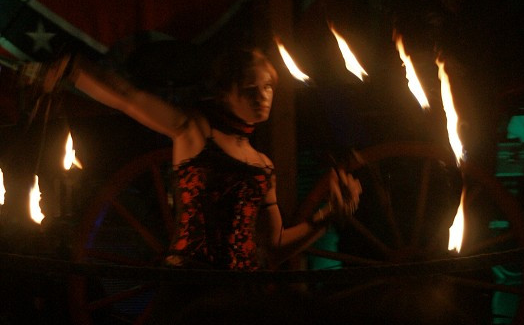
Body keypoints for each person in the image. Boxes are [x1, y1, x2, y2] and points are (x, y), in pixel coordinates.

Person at [34, 45, 361, 272]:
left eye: (268, 88)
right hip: (191, 286)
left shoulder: (263, 166)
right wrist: (75, 69)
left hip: (241, 296)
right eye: (250, 88)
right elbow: (129, 99)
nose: (262, 96)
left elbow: (273, 248)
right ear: (224, 92)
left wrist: (330, 214)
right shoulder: (193, 131)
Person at [393, 0, 524, 170]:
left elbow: (508, 50)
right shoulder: (416, 2)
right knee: (436, 173)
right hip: (432, 108)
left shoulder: (488, 1)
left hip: (481, 105)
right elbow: (403, 51)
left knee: (480, 174)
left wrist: (505, 99)